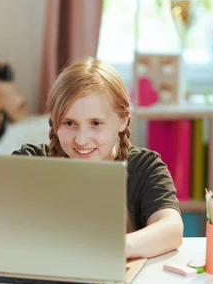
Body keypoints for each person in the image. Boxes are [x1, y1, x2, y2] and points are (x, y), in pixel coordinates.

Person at [12, 57, 183, 259]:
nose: (82, 139)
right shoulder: (30, 162)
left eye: (95, 123)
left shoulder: (145, 168)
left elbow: (171, 229)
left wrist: (109, 248)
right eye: (69, 123)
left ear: (122, 120)